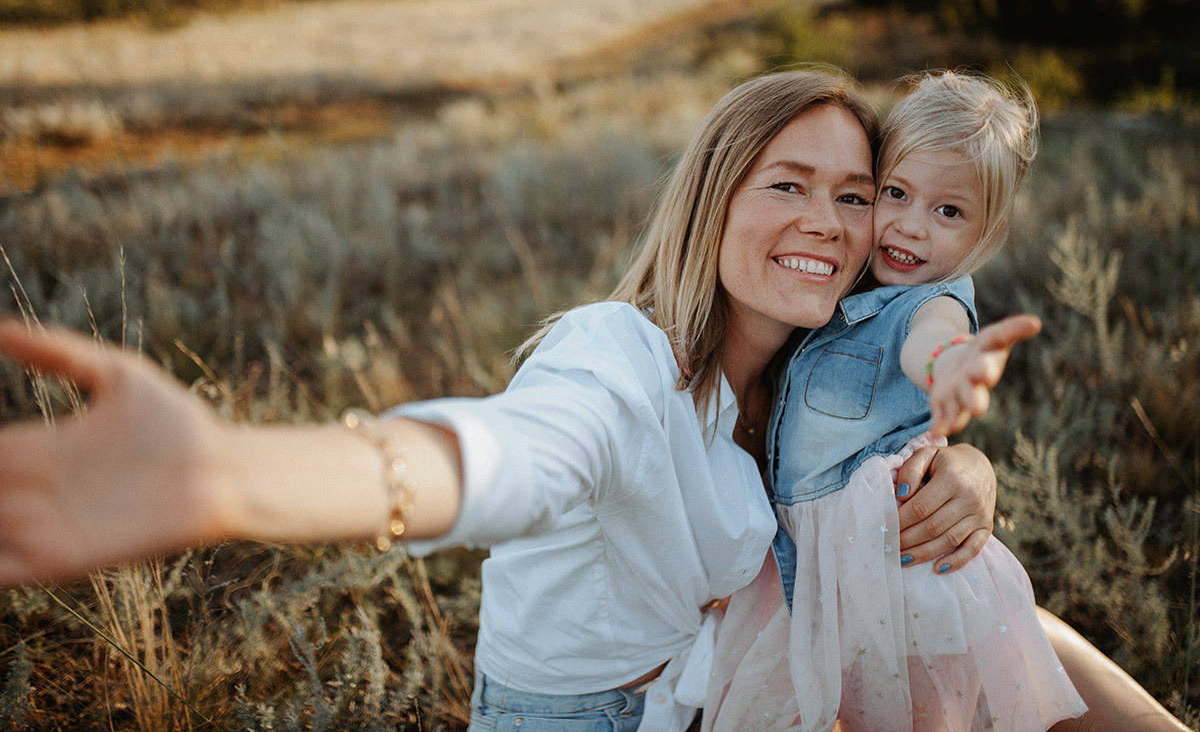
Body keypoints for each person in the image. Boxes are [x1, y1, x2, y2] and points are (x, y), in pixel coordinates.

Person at [0, 69, 1182, 732]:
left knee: (1014, 621)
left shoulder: (795, 381)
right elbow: (508, 453)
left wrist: (969, 471)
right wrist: (233, 477)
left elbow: (895, 467)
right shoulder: (616, 359)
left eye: (860, 194)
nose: (831, 222)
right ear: (715, 199)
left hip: (726, 684)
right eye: (787, 185)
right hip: (587, 725)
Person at [701, 72, 1188, 732]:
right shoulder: (833, 299)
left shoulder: (928, 300)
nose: (910, 227)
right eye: (894, 194)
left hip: (902, 570)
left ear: (987, 230)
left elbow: (930, 343)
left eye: (948, 211)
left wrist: (951, 367)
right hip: (822, 585)